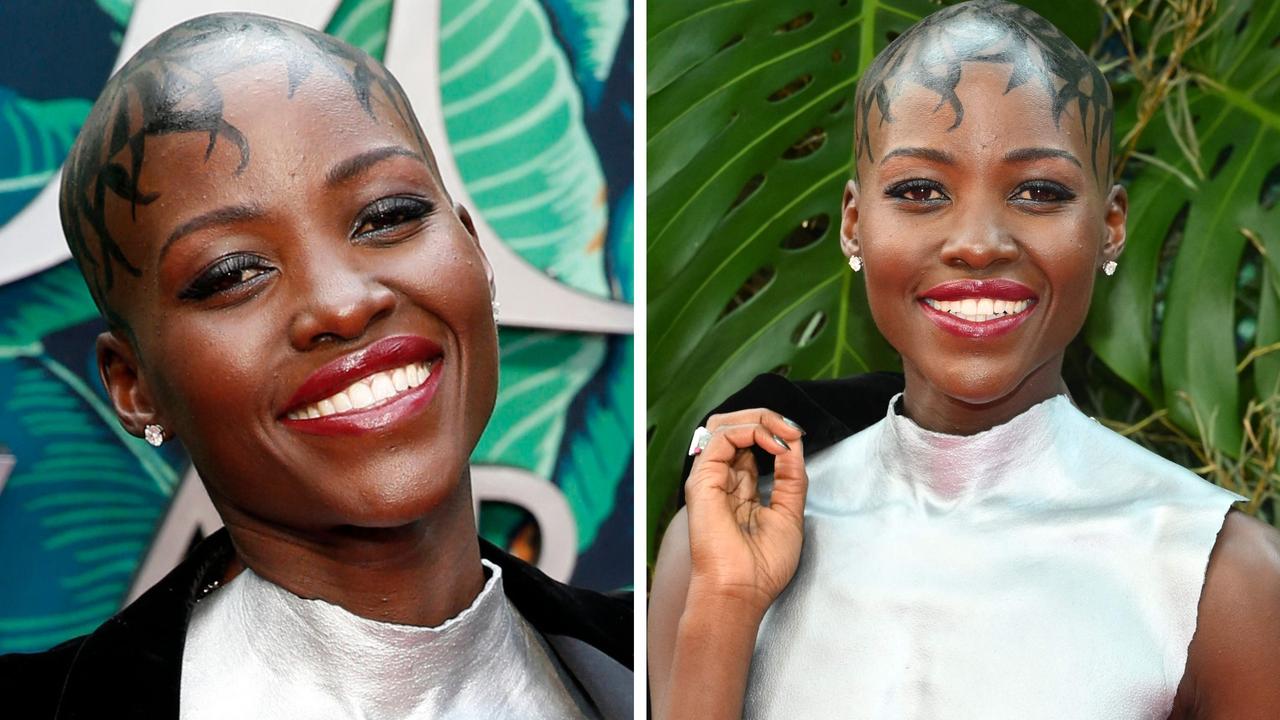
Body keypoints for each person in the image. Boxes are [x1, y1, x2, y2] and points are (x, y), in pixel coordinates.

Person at [648, 2, 1280, 718]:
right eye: (920, 192)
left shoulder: (1222, 579)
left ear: (1109, 228)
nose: (978, 242)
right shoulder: (721, 548)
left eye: (1039, 192)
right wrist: (727, 606)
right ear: (855, 223)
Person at [0, 12, 631, 719]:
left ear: (475, 249)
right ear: (135, 386)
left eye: (386, 215)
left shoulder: (669, 665)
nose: (342, 305)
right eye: (233, 272)